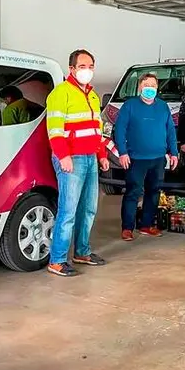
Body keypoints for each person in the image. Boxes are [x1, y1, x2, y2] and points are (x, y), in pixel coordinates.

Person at [45, 49, 110, 277]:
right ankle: (57, 260)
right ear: (71, 69)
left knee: (89, 209)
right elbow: (54, 130)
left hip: (90, 157)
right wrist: (63, 157)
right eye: (83, 66)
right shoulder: (60, 93)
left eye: (91, 66)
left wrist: (101, 155)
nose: (87, 70)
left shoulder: (92, 95)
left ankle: (82, 252)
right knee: (68, 211)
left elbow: (97, 130)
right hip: (71, 159)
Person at [115, 73, 178, 241]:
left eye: (153, 85)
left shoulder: (163, 107)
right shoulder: (129, 106)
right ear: (139, 87)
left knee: (153, 192)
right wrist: (122, 152)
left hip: (158, 158)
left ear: (157, 88)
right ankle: (127, 227)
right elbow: (119, 130)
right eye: (146, 85)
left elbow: (170, 131)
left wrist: (174, 153)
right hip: (136, 158)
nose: (149, 88)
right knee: (133, 192)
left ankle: (146, 225)